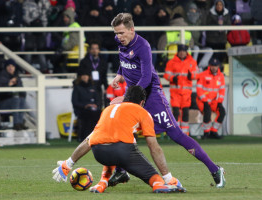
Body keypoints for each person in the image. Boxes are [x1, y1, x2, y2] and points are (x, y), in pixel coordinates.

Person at [104, 13, 225, 189]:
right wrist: (119, 75)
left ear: (132, 29)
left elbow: (146, 78)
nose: (118, 37)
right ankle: (122, 170)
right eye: (116, 33)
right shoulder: (121, 43)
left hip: (152, 97)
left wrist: (125, 97)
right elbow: (124, 60)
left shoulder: (143, 46)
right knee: (123, 131)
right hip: (134, 98)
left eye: (121, 33)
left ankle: (215, 170)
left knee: (176, 134)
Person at [52, 86, 186, 194]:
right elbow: (154, 147)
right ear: (142, 102)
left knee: (112, 145)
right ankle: (159, 184)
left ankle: (102, 183)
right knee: (155, 179)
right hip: (123, 152)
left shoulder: (108, 110)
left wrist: (68, 164)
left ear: (124, 98)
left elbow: (89, 140)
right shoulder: (142, 111)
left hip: (99, 153)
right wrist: (168, 177)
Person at [164, 44, 198, 136]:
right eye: (180, 51)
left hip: (186, 93)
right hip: (175, 93)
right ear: (178, 52)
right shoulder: (171, 62)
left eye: (183, 51)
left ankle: (185, 134)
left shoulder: (192, 62)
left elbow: (197, 74)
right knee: (175, 112)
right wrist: (172, 78)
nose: (182, 53)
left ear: (186, 52)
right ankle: (176, 132)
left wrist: (192, 76)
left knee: (185, 113)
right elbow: (166, 75)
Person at [196, 57, 226, 139]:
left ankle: (213, 131)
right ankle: (206, 133)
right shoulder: (203, 74)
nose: (214, 67)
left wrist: (219, 102)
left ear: (218, 66)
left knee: (222, 112)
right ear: (209, 66)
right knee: (207, 112)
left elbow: (222, 90)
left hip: (214, 101)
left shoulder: (221, 76)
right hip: (202, 101)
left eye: (215, 66)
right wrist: (205, 101)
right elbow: (199, 89)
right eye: (212, 65)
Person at [0, 59, 27, 131]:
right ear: (6, 67)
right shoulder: (1, 77)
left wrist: (16, 85)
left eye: (12, 66)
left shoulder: (17, 78)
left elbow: (23, 93)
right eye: (9, 66)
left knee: (21, 99)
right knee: (16, 99)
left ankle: (20, 122)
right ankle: (16, 123)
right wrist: (8, 85)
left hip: (14, 102)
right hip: (2, 103)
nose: (11, 67)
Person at [71, 67, 101, 142]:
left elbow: (98, 100)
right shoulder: (77, 88)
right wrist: (85, 105)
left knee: (98, 114)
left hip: (93, 109)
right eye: (83, 75)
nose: (84, 77)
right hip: (81, 109)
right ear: (80, 77)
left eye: (86, 75)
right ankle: (83, 136)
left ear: (89, 77)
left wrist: (96, 105)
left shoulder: (93, 87)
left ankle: (96, 136)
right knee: (87, 115)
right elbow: (75, 101)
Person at [77, 40, 108, 109]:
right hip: (87, 88)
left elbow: (104, 76)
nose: (94, 50)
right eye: (93, 48)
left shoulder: (103, 62)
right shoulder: (84, 61)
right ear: (90, 50)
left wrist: (106, 87)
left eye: (96, 48)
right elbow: (79, 75)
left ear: (99, 50)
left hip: (98, 87)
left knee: (99, 107)